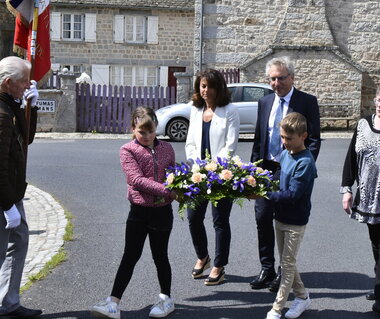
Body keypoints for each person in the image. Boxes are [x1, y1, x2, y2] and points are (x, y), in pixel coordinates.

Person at [92, 107, 178, 319]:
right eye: (142, 131)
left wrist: (182, 185)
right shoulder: (127, 150)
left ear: (156, 127)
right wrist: (168, 191)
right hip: (139, 212)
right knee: (130, 256)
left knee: (161, 256)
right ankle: (113, 303)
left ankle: (166, 299)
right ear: (133, 128)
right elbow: (136, 180)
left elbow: (174, 174)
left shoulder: (167, 148)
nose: (147, 136)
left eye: (150, 131)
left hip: (162, 212)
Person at [250, 56, 321, 292]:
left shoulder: (307, 102)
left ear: (292, 77)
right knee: (262, 220)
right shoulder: (265, 102)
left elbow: (313, 140)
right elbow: (259, 139)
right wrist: (253, 169)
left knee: (286, 222)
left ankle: (284, 271)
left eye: (281, 78)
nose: (276, 83)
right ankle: (266, 268)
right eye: (272, 79)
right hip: (266, 170)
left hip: (291, 171)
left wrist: (302, 167)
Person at [185, 69, 240, 286]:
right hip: (198, 174)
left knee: (220, 221)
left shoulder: (230, 110)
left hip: (222, 174)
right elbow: (190, 143)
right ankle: (203, 257)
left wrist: (215, 169)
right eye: (202, 86)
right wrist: (196, 166)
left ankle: (219, 265)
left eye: (210, 86)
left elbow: (230, 145)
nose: (206, 90)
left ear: (219, 88)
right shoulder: (195, 110)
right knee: (193, 217)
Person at [263, 112, 317, 319]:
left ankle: (277, 309)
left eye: (289, 138)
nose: (284, 142)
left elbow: (293, 194)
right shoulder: (286, 153)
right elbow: (276, 178)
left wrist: (265, 194)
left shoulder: (305, 162)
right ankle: (302, 297)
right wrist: (258, 183)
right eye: (282, 137)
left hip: (296, 220)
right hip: (280, 217)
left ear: (303, 136)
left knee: (286, 265)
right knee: (288, 262)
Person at [0, 56, 41, 318]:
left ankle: (8, 302)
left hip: (12, 194)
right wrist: (7, 207)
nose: (28, 84)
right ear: (7, 82)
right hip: (4, 198)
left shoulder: (10, 106)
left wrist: (31, 107)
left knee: (19, 242)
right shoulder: (1, 115)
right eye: (24, 80)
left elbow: (26, 139)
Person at [341, 86, 380, 315]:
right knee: (376, 244)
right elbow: (351, 160)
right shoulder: (364, 124)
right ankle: (378, 282)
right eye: (378, 99)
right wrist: (347, 189)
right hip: (368, 198)